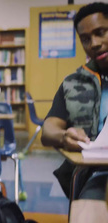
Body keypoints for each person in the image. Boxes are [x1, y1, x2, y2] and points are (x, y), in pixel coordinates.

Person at [41, 2, 108, 203]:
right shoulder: (73, 83)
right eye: (85, 39)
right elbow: (48, 131)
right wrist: (63, 136)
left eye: (101, 32)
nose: (94, 43)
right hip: (96, 176)